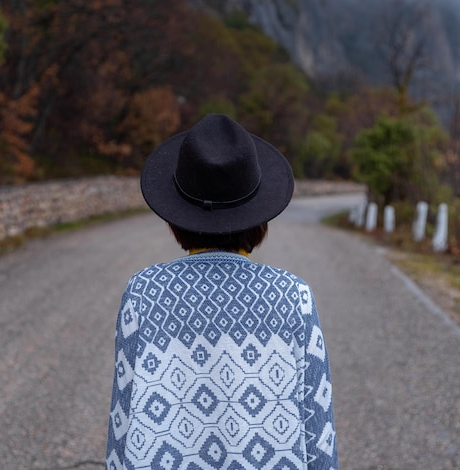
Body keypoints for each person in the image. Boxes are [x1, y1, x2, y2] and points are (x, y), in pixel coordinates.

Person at [105, 114, 339, 469]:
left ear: (175, 217)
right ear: (260, 218)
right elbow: (317, 426)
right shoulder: (294, 297)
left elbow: (124, 419)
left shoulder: (143, 293)